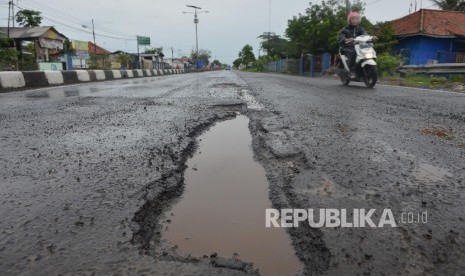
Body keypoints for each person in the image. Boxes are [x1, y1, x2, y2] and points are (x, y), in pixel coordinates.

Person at [337, 11, 367, 77]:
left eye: (357, 19)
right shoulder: (345, 29)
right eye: (353, 19)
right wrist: (345, 39)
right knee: (354, 52)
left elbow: (365, 34)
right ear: (350, 20)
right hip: (347, 47)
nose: (355, 21)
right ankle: (351, 70)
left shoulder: (360, 29)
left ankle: (367, 69)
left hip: (358, 46)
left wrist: (370, 37)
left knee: (369, 50)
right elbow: (340, 36)